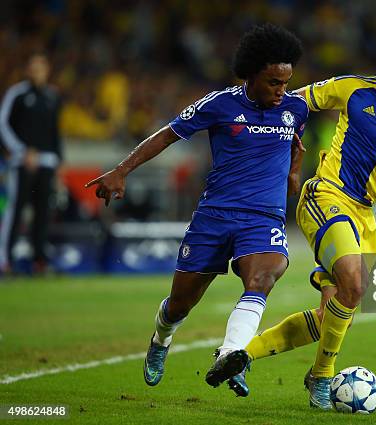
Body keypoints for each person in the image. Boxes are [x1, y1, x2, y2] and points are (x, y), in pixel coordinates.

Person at [228, 29, 376, 408]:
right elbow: (294, 100)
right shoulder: (353, 89)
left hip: (365, 216)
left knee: (335, 313)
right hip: (326, 194)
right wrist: (264, 139)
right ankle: (322, 377)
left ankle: (241, 356)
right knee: (355, 282)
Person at [85, 24, 308, 389]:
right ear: (250, 75)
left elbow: (289, 168)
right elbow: (166, 135)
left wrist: (295, 172)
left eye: (286, 82)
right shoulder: (219, 104)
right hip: (215, 217)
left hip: (263, 218)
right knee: (180, 304)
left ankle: (230, 354)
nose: (282, 91)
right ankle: (161, 338)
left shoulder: (296, 110)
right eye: (273, 82)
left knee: (263, 278)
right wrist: (122, 170)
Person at [0, 53, 63, 275]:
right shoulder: (17, 93)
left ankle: (40, 262)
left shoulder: (52, 96)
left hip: (47, 162)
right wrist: (21, 151)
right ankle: (5, 262)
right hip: (21, 162)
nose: (38, 72)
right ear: (27, 70)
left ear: (47, 71)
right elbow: (3, 124)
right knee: (15, 210)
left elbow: (55, 132)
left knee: (43, 213)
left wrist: (57, 161)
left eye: (41, 68)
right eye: (34, 68)